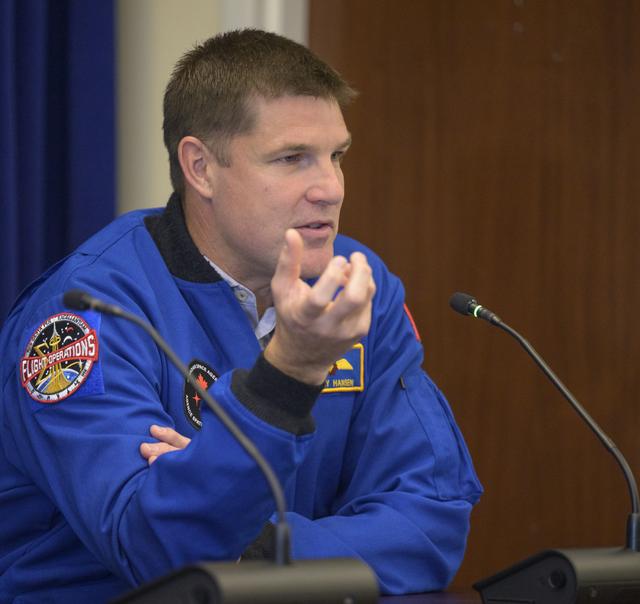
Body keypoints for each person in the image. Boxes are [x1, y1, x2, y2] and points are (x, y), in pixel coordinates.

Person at [0, 29, 482, 602]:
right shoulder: (86, 315)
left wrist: (252, 544)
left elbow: (431, 525)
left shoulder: (354, 282)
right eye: (292, 159)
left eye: (337, 156)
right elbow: (160, 553)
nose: (330, 188)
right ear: (201, 167)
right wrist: (289, 374)